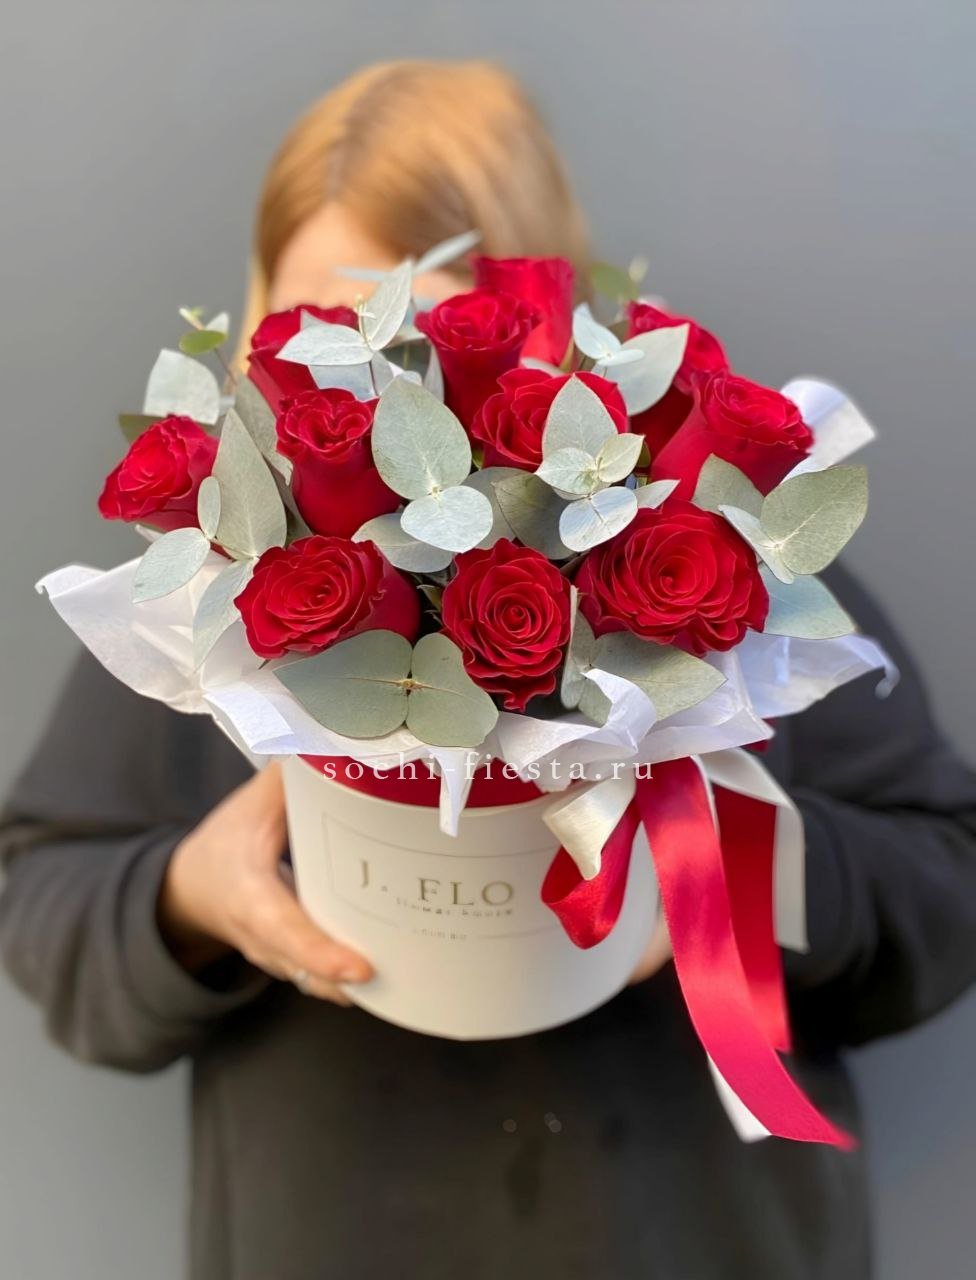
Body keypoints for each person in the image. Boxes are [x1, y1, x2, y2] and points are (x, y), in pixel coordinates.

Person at [2, 57, 976, 1280]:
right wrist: (192, 897)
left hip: (691, 1235)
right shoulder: (198, 614)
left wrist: (727, 869)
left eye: (413, 336)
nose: (369, 380)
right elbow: (41, 895)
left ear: (539, 335)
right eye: (323, 328)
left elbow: (946, 886)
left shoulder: (728, 592)